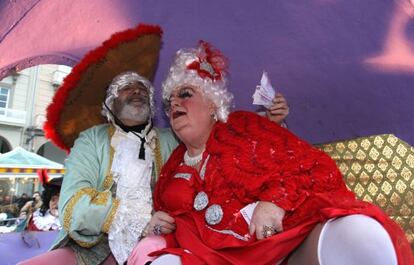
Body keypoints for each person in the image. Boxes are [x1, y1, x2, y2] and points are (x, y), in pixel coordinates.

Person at [19, 25, 289, 265]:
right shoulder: (92, 140)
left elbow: (218, 135)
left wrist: (269, 122)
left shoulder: (173, 137)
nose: (137, 91)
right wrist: (139, 220)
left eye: (142, 89)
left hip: (161, 244)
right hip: (90, 251)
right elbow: (73, 207)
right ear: (109, 105)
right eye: (127, 88)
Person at [132, 41, 413, 265]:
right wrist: (156, 224)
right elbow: (166, 219)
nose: (174, 105)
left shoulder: (243, 126)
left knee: (358, 233)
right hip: (204, 257)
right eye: (169, 101)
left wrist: (275, 201)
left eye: (185, 94)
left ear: (212, 105)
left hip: (277, 250)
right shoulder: (171, 165)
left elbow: (314, 167)